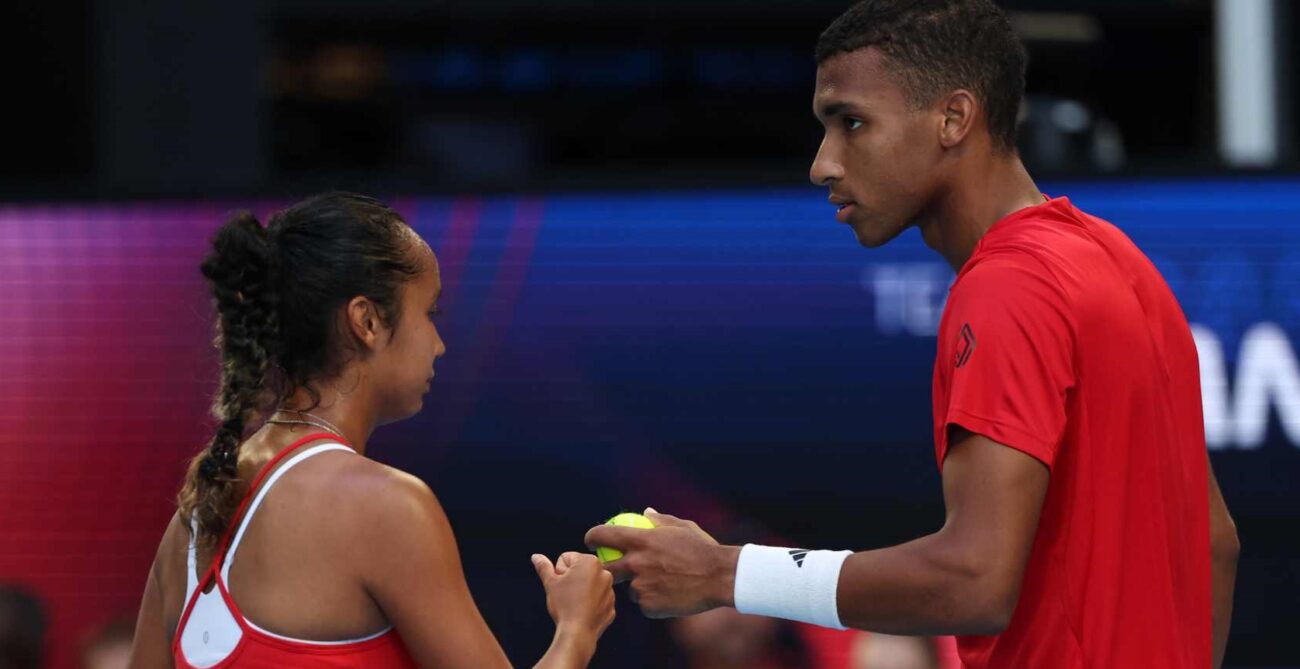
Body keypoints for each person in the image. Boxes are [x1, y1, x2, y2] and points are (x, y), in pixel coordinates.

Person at [584, 2, 1240, 667]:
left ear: (953, 119)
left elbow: (974, 579)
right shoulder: (1118, 258)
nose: (823, 164)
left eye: (853, 123)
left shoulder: (1008, 286)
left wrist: (724, 572)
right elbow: (1215, 542)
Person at [127, 193, 615, 668]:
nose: (440, 345)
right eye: (431, 313)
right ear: (366, 321)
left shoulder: (196, 513)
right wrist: (576, 629)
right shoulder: (386, 507)